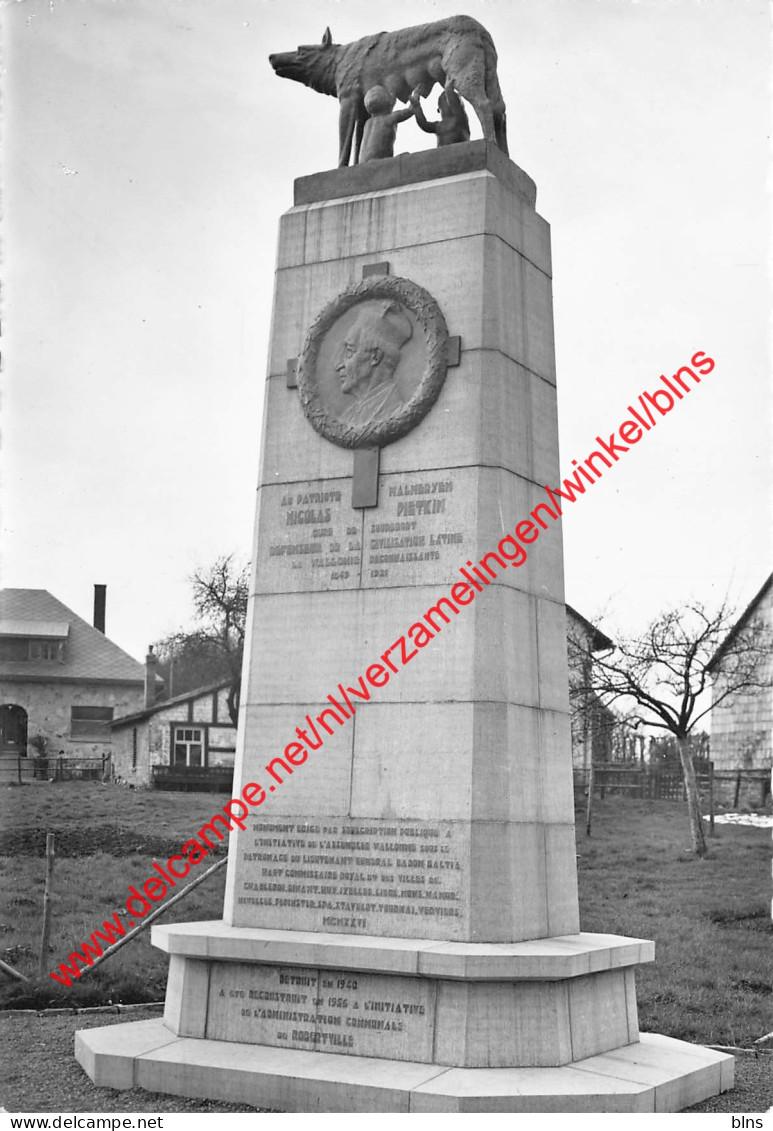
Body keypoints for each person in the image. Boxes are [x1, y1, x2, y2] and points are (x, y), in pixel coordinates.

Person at [336, 300, 413, 427]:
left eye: (350, 352)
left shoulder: (394, 411)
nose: (339, 364)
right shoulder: (350, 417)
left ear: (375, 357)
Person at [358, 85, 415, 163]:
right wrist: (416, 95)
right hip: (378, 160)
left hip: (363, 162)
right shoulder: (389, 118)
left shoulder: (368, 123)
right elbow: (410, 110)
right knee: (405, 159)